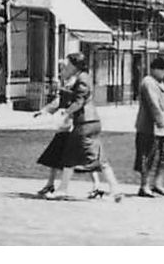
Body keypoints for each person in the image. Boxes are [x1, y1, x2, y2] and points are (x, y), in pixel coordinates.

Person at [34, 52, 123, 201]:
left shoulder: (82, 79)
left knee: (70, 156)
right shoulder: (82, 77)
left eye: (68, 65)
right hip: (91, 122)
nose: (66, 68)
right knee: (100, 159)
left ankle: (62, 189)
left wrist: (66, 112)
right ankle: (115, 189)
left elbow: (79, 101)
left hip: (84, 123)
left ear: (75, 66)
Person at [134, 56, 164, 197]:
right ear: (156, 69)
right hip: (149, 127)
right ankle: (144, 186)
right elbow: (153, 105)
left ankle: (158, 184)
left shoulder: (161, 83)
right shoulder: (148, 82)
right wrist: (162, 122)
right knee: (147, 157)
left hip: (163, 129)